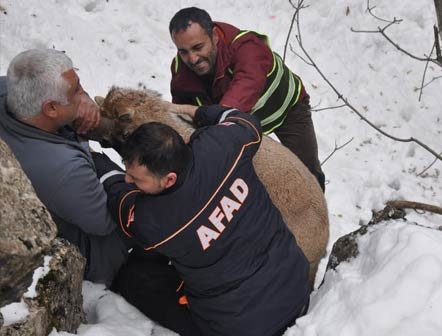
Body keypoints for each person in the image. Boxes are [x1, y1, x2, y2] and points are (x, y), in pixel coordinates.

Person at [95, 104, 310, 335]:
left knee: (134, 277)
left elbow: (119, 201)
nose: (128, 180)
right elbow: (245, 121)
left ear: (169, 180)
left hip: (241, 328)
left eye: (136, 179)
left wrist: (96, 160)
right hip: (296, 287)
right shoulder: (223, 143)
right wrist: (194, 111)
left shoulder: (154, 219)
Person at [0, 49, 130, 285]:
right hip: (94, 254)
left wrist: (82, 100)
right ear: (51, 108)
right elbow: (106, 221)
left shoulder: (12, 90)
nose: (84, 95)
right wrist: (106, 167)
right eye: (77, 91)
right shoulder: (61, 167)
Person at [168, 6, 326, 192]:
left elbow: (245, 87)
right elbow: (183, 117)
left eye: (198, 47)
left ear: (215, 36)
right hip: (240, 124)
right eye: (183, 51)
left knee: (307, 172)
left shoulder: (246, 47)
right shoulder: (181, 72)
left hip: (287, 110)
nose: (192, 58)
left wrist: (217, 126)